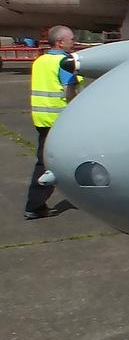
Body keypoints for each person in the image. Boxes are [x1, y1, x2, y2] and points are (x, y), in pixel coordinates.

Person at [25, 25, 80, 220]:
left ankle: (34, 205)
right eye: (72, 39)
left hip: (41, 118)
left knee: (43, 161)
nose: (74, 42)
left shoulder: (40, 61)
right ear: (60, 42)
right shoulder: (65, 62)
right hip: (60, 120)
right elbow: (69, 90)